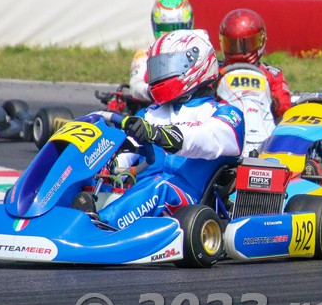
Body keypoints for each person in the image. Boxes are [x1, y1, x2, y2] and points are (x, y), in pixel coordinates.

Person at [81, 29, 245, 229]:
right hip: (140, 198)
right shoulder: (148, 114)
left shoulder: (225, 114)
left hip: (187, 203)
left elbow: (206, 139)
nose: (160, 74)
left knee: (160, 186)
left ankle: (98, 227)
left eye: (167, 66)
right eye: (158, 67)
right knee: (89, 177)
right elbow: (123, 156)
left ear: (195, 66)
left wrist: (159, 134)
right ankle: (61, 217)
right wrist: (105, 163)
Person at [218, 8, 292, 119]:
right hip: (226, 123)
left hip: (263, 124)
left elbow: (284, 108)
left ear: (260, 40)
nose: (239, 51)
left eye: (246, 44)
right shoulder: (215, 72)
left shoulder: (272, 75)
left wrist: (275, 103)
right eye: (233, 45)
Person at [128, 0, 194, 103]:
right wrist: (157, 92)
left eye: (177, 27)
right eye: (165, 27)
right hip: (157, 107)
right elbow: (135, 87)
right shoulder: (145, 55)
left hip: (194, 105)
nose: (171, 33)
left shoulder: (199, 50)